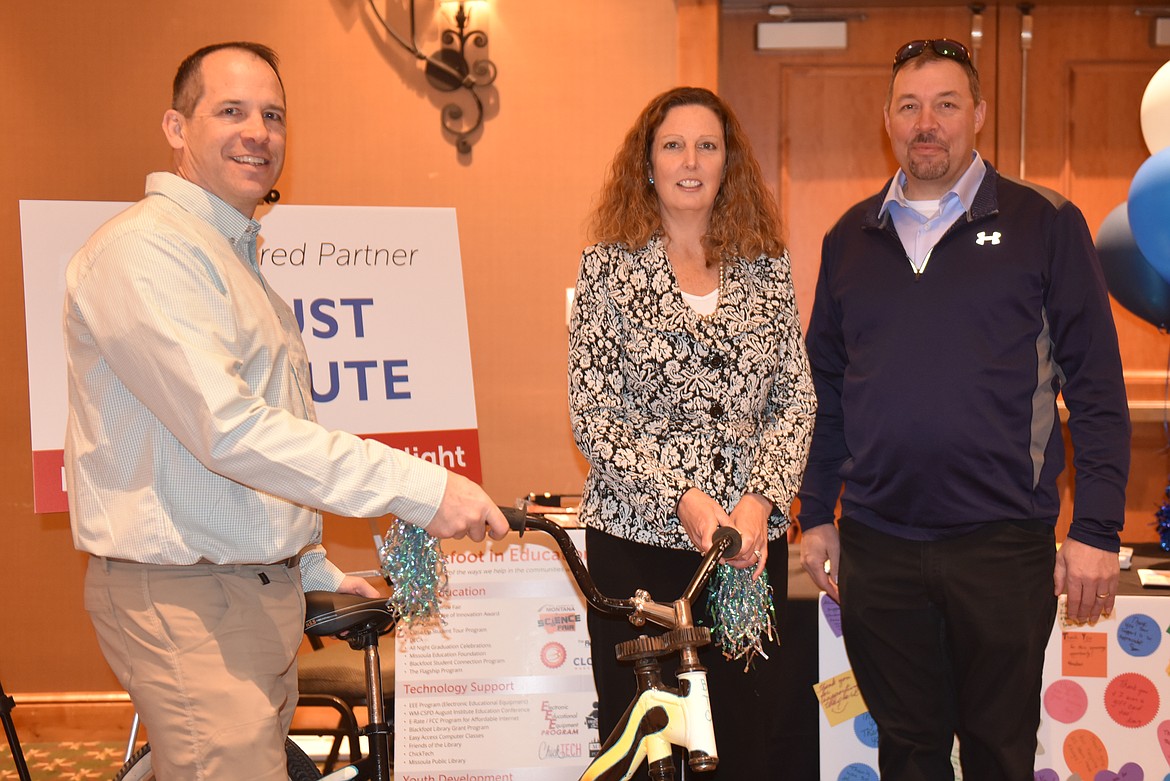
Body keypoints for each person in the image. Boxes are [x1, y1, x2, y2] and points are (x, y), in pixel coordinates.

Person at [63, 42, 508, 780]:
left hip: (249, 596)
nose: (258, 132)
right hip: (186, 600)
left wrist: (309, 565)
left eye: (272, 115)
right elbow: (230, 430)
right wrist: (420, 486)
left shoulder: (236, 261)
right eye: (231, 110)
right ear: (176, 127)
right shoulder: (144, 252)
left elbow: (262, 451)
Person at [797, 38, 1131, 780]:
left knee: (999, 750)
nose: (928, 122)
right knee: (908, 751)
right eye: (910, 105)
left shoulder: (1046, 222)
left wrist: (1097, 525)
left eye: (946, 104)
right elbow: (824, 389)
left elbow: (1098, 387)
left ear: (977, 113)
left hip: (1003, 545)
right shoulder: (850, 237)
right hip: (879, 546)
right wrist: (815, 509)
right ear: (887, 117)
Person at [568, 86, 816, 779]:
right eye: (673, 144)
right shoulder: (607, 269)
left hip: (743, 549)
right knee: (644, 749)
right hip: (635, 547)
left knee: (741, 738)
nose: (691, 160)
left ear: (728, 163)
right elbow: (593, 415)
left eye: (708, 145)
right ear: (647, 164)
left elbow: (796, 400)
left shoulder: (768, 270)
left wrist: (761, 501)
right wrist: (680, 494)